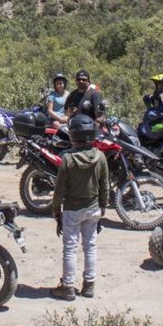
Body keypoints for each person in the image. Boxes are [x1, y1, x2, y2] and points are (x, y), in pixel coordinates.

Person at [50, 114, 109, 300]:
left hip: (72, 210)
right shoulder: (100, 157)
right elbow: (104, 186)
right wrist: (103, 208)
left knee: (70, 248)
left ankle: (68, 287)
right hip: (93, 209)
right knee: (90, 246)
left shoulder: (67, 159)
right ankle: (89, 286)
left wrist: (55, 210)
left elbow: (59, 190)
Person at [138, 74, 163, 143]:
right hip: (143, 132)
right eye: (158, 86)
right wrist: (151, 98)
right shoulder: (156, 99)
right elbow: (146, 99)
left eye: (162, 87)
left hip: (155, 138)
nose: (159, 89)